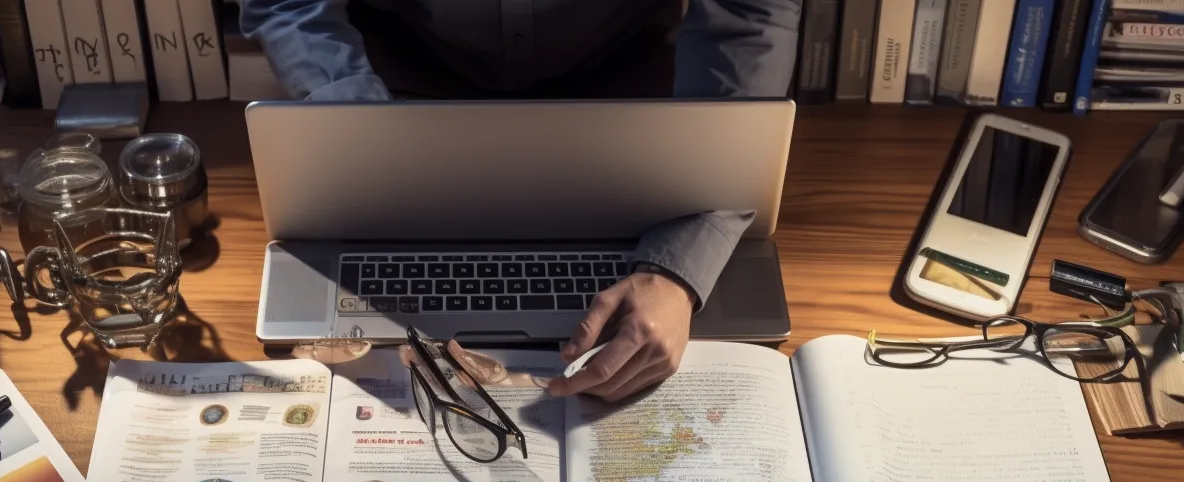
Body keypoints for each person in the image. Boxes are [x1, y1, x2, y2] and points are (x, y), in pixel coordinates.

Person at [241, 0, 802, 402]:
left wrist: (680, 264)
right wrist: (366, 136)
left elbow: (749, 14)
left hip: (638, 115)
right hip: (394, 91)